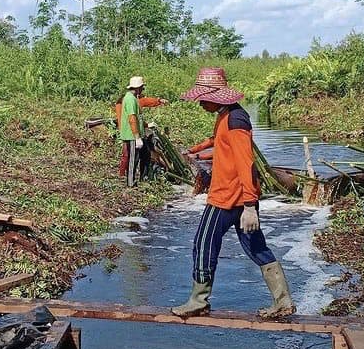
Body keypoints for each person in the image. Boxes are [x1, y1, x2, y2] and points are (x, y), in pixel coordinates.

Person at [171, 67, 296, 319]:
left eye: (203, 98)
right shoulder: (228, 115)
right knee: (256, 247)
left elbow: (245, 162)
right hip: (239, 197)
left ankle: (199, 300)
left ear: (216, 95)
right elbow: (219, 141)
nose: (200, 103)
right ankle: (283, 302)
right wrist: (195, 149)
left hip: (228, 199)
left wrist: (250, 206)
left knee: (204, 243)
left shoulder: (236, 120)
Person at [116, 78, 168, 182]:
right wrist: (136, 137)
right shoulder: (130, 99)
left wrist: (147, 125)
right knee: (132, 159)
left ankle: (143, 178)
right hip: (131, 134)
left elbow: (138, 118)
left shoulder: (135, 99)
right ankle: (130, 182)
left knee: (145, 155)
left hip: (137, 133)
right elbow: (132, 118)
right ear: (138, 88)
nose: (143, 90)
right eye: (142, 88)